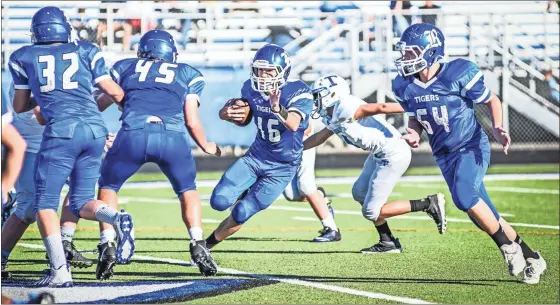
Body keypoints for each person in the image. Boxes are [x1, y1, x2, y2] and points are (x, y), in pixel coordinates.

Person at [358, 23, 546, 283]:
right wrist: (414, 132)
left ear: (431, 52)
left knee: (464, 197)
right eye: (405, 53)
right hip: (444, 154)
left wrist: (498, 127)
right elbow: (415, 114)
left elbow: (491, 100)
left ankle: (508, 247)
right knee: (485, 214)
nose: (406, 58)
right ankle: (532, 257)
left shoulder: (457, 73)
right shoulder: (404, 85)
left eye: (412, 53)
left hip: (470, 145)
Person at [9, 6, 133, 287]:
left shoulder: (23, 56)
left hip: (62, 131)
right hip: (95, 129)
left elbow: (19, 106)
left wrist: (42, 95)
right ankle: (117, 217)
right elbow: (114, 91)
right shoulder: (86, 49)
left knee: (44, 204)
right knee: (79, 202)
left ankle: (59, 271)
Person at [95, 30, 220, 278]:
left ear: (141, 51)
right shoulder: (188, 73)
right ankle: (197, 243)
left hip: (133, 133)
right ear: (171, 54)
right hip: (172, 136)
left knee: (108, 185)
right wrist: (206, 145)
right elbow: (191, 120)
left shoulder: (124, 67)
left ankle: (107, 244)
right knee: (187, 190)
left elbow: (99, 103)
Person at [304, 74, 446, 253]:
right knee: (359, 192)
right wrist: (295, 149)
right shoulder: (331, 114)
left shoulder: (345, 107)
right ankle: (387, 242)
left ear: (332, 94)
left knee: (370, 211)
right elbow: (319, 137)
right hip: (380, 153)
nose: (315, 100)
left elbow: (381, 107)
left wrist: (415, 106)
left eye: (318, 95)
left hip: (393, 153)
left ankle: (428, 203)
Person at [205, 44, 313, 251]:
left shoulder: (300, 91)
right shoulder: (249, 87)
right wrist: (226, 114)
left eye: (269, 71)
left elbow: (292, 123)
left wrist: (276, 107)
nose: (263, 75)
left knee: (241, 213)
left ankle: (206, 245)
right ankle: (242, 190)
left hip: (282, 167)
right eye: (259, 70)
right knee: (218, 201)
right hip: (256, 157)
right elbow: (243, 116)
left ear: (283, 71)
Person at [282, 116, 340, 242]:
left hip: (301, 138)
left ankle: (331, 229)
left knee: (305, 185)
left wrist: (305, 125)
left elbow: (303, 108)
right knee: (292, 195)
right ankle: (320, 197)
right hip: (281, 143)